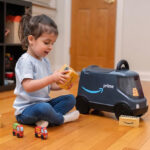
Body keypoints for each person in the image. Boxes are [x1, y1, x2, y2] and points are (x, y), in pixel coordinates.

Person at [13, 14, 79, 128]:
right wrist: (51, 78)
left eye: (52, 43)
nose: (50, 47)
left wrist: (61, 85)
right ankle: (61, 119)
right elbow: (28, 86)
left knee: (71, 99)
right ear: (31, 39)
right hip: (26, 111)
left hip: (44, 104)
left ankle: (46, 119)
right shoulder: (25, 61)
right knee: (44, 108)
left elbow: (49, 86)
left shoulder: (45, 61)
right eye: (46, 42)